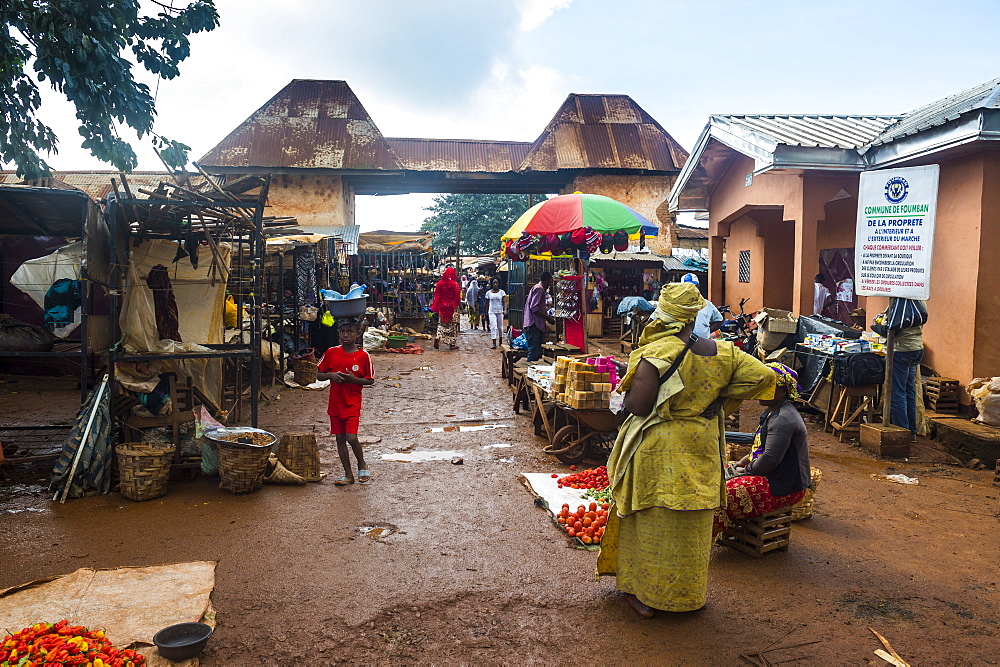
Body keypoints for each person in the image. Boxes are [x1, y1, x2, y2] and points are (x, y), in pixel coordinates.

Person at [596, 283, 774, 618]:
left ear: (663, 314)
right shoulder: (724, 352)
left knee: (653, 520)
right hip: (701, 445)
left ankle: (648, 599)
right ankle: (688, 596)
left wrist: (629, 382)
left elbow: (637, 405)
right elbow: (764, 376)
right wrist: (719, 398)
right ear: (695, 315)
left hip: (659, 449)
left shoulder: (656, 352)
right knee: (692, 523)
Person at [713, 363, 811, 538]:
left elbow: (769, 460)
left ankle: (707, 537)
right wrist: (742, 462)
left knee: (721, 495)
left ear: (783, 391)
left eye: (770, 386)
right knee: (716, 476)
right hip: (774, 477)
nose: (763, 389)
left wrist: (745, 470)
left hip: (784, 487)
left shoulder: (783, 420)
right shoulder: (774, 412)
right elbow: (759, 450)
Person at [316, 319, 375, 486]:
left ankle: (361, 463)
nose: (345, 335)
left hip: (352, 404)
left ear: (358, 334)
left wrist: (353, 379)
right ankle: (348, 474)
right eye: (342, 331)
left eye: (349, 331)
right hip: (335, 404)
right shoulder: (331, 353)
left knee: (351, 437)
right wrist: (331, 375)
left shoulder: (363, 356)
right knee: (340, 438)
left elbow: (369, 380)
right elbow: (319, 374)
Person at [887, 297, 925, 441]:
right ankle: (912, 432)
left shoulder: (899, 302)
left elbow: (891, 328)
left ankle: (902, 431)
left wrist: (877, 325)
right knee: (909, 390)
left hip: (901, 350)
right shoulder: (920, 301)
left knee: (897, 392)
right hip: (916, 349)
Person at [680, 273, 724, 338]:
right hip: (682, 344)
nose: (690, 289)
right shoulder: (676, 304)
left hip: (703, 344)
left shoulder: (707, 304)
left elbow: (719, 320)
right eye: (687, 286)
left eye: (693, 286)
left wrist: (707, 331)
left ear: (698, 287)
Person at [523, 271, 554, 361]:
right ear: (547, 280)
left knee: (535, 351)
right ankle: (529, 372)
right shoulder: (540, 289)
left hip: (533, 323)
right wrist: (548, 318)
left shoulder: (537, 287)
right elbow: (534, 308)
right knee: (534, 351)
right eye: (550, 281)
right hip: (534, 324)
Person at [431, 266, 462, 350]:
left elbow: (436, 296)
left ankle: (438, 336)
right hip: (452, 308)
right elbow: (457, 298)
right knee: (453, 325)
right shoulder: (455, 285)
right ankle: (452, 344)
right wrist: (461, 308)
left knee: (441, 324)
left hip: (442, 307)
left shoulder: (439, 284)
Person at [485, 278, 507, 349]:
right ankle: (494, 343)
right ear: (491, 283)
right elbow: (486, 303)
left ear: (498, 283)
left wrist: (505, 310)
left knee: (500, 327)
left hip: (499, 311)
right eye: (494, 283)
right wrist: (483, 313)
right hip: (491, 312)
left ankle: (500, 340)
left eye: (496, 283)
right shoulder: (488, 293)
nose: (495, 284)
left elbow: (504, 302)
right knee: (493, 326)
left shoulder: (502, 292)